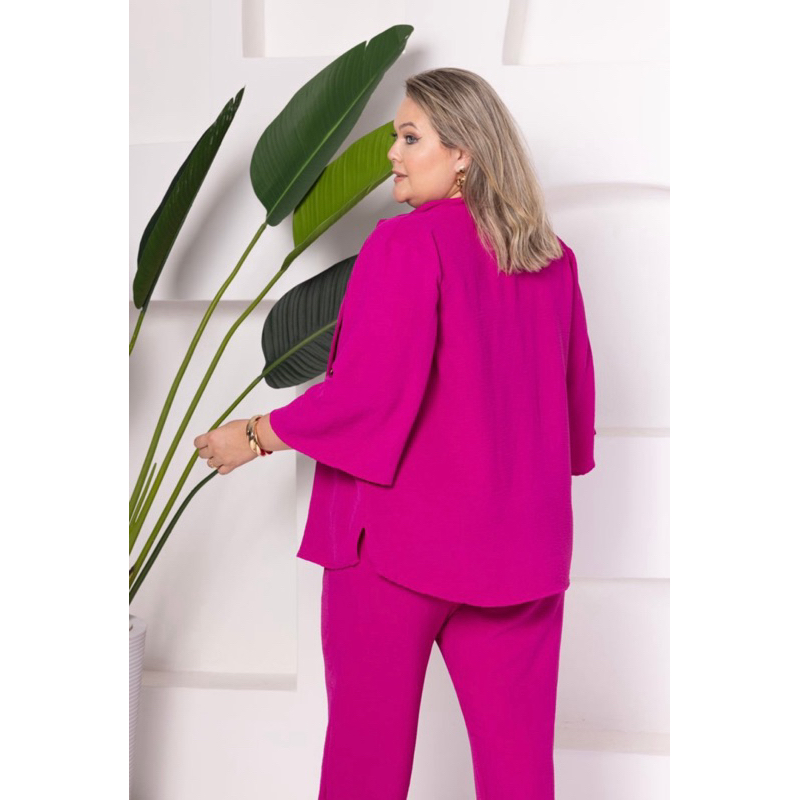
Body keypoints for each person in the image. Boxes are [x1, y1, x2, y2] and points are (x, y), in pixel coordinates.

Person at [194, 67, 595, 800]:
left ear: (463, 153)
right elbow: (570, 416)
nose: (392, 154)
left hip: (395, 548)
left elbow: (365, 396)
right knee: (520, 775)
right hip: (522, 554)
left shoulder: (409, 244)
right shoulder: (553, 261)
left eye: (410, 137)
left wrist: (252, 435)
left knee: (365, 770)